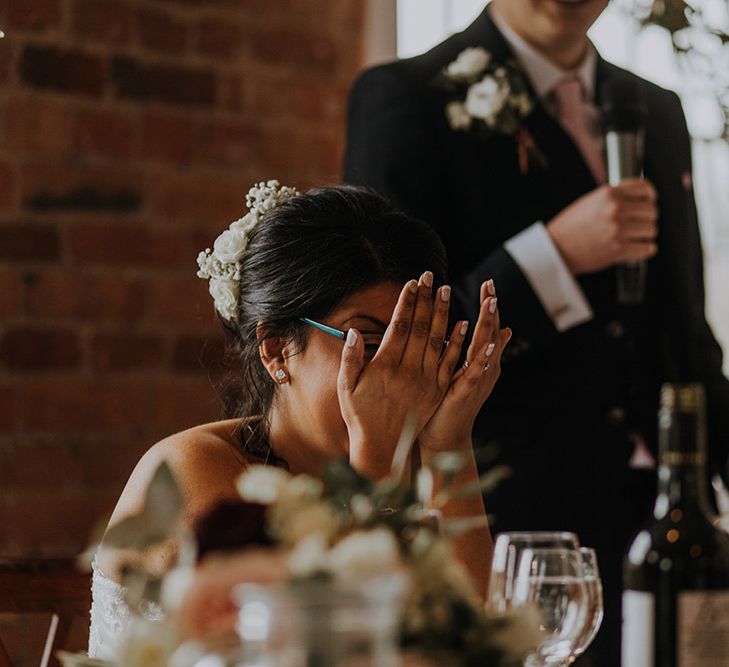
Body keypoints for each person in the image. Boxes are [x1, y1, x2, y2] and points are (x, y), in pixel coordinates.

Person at [343, 2, 729, 664]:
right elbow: (396, 340)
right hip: (507, 523)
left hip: (660, 522)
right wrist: (552, 255)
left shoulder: (655, 109)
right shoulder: (404, 98)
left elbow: (684, 332)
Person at [88, 182, 510, 658]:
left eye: (416, 339)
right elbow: (332, 654)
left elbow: (479, 647)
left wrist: (450, 439)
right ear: (276, 349)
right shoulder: (194, 471)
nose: (398, 368)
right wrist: (374, 458)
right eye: (369, 342)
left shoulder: (419, 458)